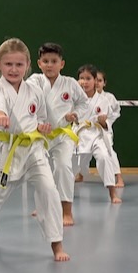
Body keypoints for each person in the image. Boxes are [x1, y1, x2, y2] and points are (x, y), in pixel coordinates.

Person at [0, 38, 68, 261]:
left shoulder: (35, 90)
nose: (14, 69)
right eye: (8, 64)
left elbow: (41, 117)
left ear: (28, 65)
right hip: (5, 151)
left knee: (49, 191)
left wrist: (42, 127)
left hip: (33, 151)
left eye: (19, 64)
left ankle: (57, 245)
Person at [27, 42, 88, 226]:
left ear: (62, 64)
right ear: (39, 63)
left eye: (54, 61)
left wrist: (75, 114)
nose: (49, 65)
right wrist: (36, 123)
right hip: (41, 136)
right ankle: (43, 205)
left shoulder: (70, 83)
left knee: (63, 167)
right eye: (45, 61)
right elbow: (27, 102)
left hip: (63, 135)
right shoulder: (34, 81)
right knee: (41, 172)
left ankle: (66, 211)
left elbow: (84, 103)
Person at [73, 64, 121, 204]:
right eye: (81, 78)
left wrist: (103, 122)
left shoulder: (103, 100)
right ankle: (56, 197)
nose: (84, 82)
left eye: (88, 78)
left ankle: (113, 193)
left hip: (96, 135)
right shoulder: (74, 98)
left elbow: (107, 124)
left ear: (95, 80)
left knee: (105, 157)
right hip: (78, 136)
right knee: (68, 166)